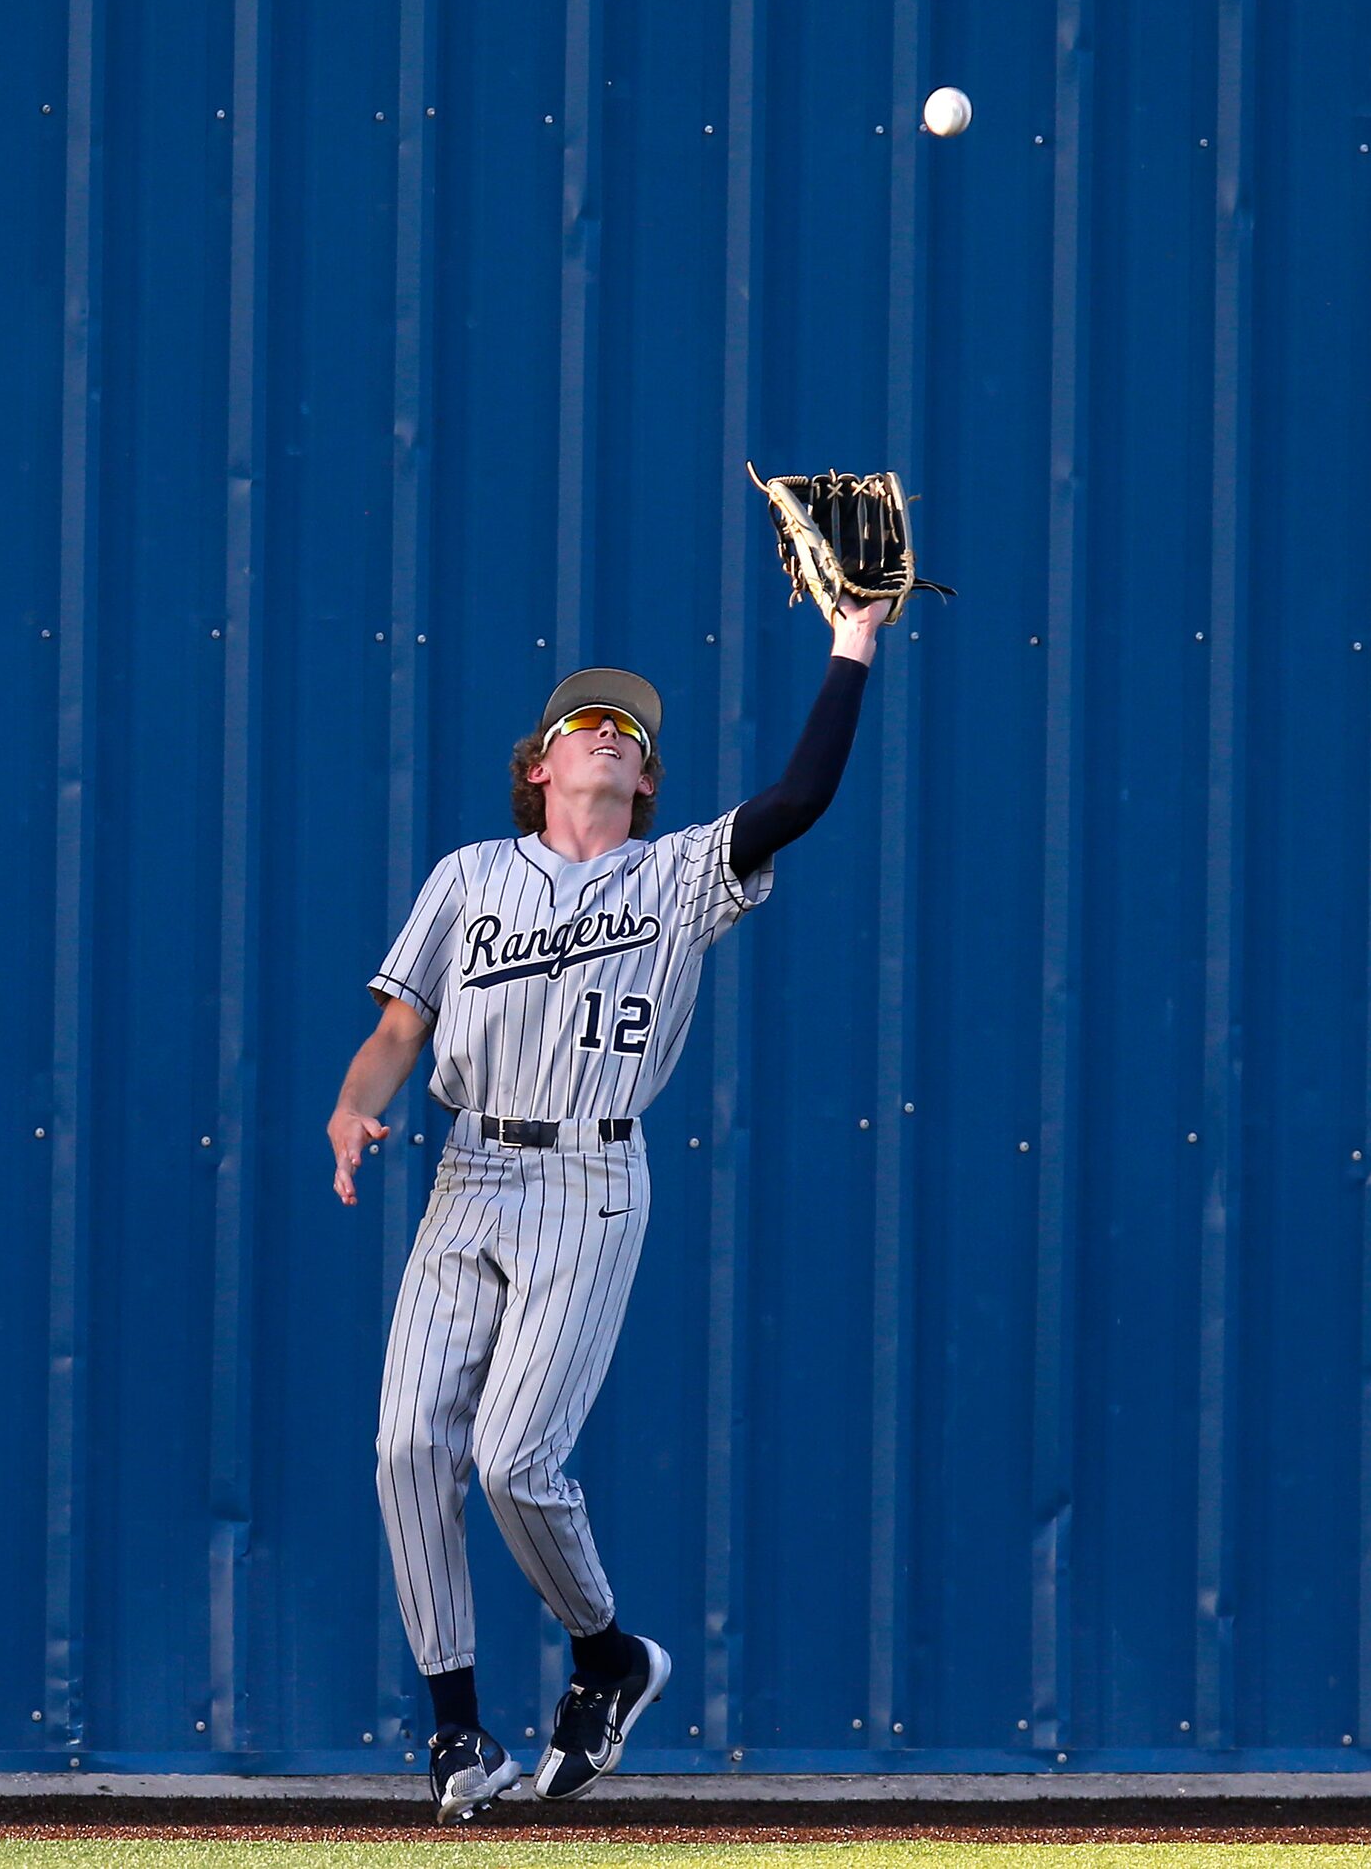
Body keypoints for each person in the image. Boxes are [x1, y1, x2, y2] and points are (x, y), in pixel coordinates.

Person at [327, 594, 890, 1822]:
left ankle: (606, 1656)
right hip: (467, 1174)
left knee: (515, 1460)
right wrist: (354, 1103)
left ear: (644, 778)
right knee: (405, 1449)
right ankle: (457, 1732)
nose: (608, 734)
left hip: (588, 1175)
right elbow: (397, 1028)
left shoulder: (676, 875)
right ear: (539, 765)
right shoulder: (470, 875)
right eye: (585, 721)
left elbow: (798, 801)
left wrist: (852, 642)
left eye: (628, 731)